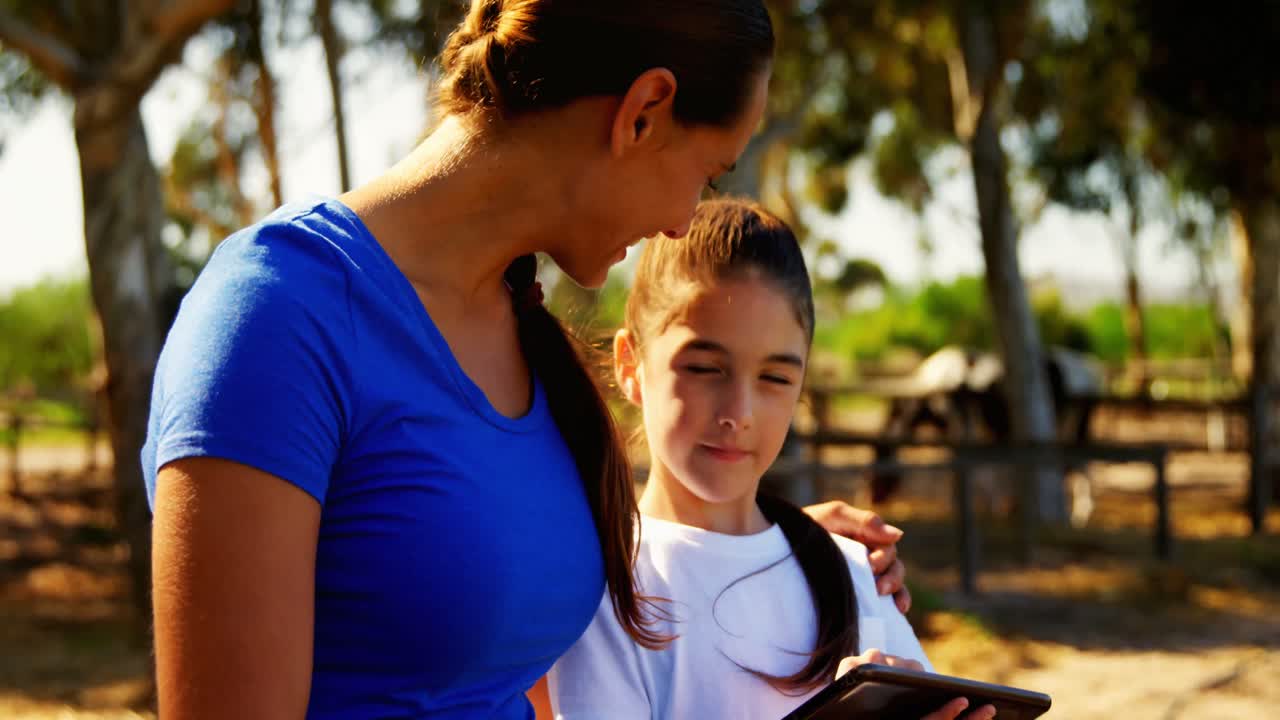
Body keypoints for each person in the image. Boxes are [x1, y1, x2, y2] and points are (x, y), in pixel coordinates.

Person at [144, 1, 910, 718]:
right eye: (707, 173)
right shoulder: (278, 317)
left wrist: (777, 563)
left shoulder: (518, 327)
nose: (684, 221)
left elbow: (462, 584)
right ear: (643, 112)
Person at [547, 199, 995, 720]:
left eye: (775, 378)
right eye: (705, 368)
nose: (739, 412)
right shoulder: (604, 589)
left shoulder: (851, 572)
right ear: (631, 365)